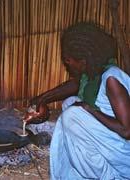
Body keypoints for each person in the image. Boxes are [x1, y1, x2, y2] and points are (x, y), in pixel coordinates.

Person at [24, 22, 130, 179]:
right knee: (70, 103)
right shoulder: (93, 71)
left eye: (68, 60)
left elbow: (126, 130)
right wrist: (42, 99)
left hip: (122, 155)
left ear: (84, 60)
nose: (67, 63)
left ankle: (109, 175)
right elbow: (75, 84)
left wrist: (89, 109)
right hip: (107, 142)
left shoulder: (112, 80)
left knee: (72, 115)